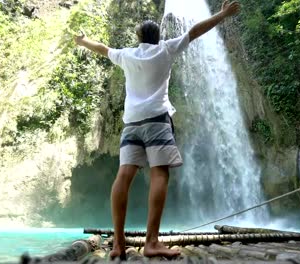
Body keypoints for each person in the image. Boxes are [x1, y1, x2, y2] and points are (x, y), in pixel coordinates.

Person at [74, 0, 241, 259]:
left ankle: (118, 243)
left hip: (132, 124)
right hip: (157, 121)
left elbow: (103, 49)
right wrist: (221, 14)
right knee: (159, 175)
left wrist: (83, 42)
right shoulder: (165, 50)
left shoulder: (127, 55)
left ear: (138, 37)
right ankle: (152, 241)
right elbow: (194, 31)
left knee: (123, 176)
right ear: (158, 36)